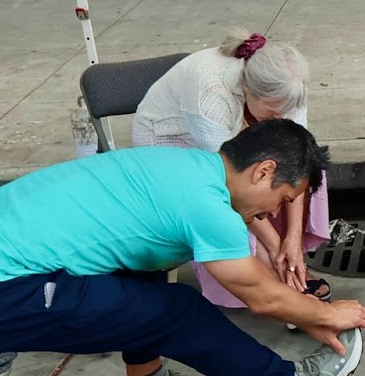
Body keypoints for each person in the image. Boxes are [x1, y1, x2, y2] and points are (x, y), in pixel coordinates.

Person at [0, 121, 365, 376]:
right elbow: (260, 296)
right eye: (283, 197)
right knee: (179, 313)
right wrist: (325, 312)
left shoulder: (188, 168)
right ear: (264, 171)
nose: (275, 211)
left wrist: (308, 313)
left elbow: (248, 277)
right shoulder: (205, 205)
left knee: (145, 269)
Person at [133, 31, 330, 308]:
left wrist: (293, 240)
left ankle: (289, 268)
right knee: (235, 193)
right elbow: (233, 183)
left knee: (306, 166)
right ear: (248, 89)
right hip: (172, 141)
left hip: (236, 136)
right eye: (273, 113)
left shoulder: (286, 90)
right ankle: (270, 277)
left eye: (284, 112)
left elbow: (296, 163)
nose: (280, 118)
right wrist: (275, 245)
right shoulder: (210, 93)